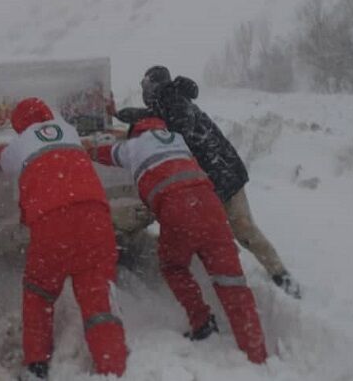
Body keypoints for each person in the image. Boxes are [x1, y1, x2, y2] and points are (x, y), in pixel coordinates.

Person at [87, 116, 267, 364]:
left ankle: (202, 321)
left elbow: (102, 153)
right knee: (231, 279)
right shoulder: (177, 139)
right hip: (211, 206)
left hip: (178, 209)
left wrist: (84, 148)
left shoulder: (133, 146)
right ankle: (256, 351)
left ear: (135, 133)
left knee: (173, 265)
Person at [117, 66, 300, 299]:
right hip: (214, 176)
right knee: (221, 232)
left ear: (154, 86)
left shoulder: (175, 102)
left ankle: (280, 274)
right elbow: (161, 118)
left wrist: (144, 124)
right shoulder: (168, 102)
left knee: (242, 229)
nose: (145, 91)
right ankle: (244, 273)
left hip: (223, 175)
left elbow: (176, 129)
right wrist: (135, 115)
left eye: (146, 86)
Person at [0, 97, 127, 380]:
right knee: (97, 296)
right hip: (95, 217)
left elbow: (1, 161)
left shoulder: (20, 143)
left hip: (52, 222)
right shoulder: (69, 131)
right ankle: (112, 367)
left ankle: (37, 363)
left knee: (39, 292)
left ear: (19, 125)